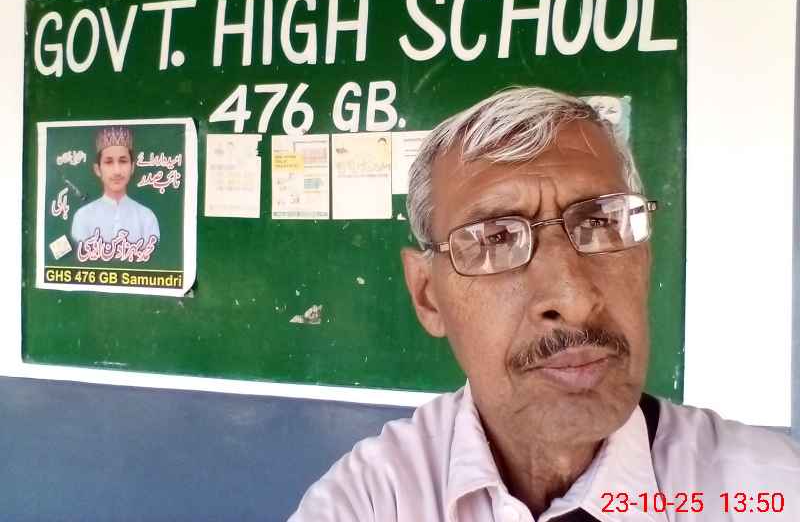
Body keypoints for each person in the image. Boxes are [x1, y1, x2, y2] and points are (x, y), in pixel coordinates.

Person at [290, 87, 800, 521]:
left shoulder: (765, 493)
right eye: (493, 239)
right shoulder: (376, 502)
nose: (574, 299)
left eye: (601, 222)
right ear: (428, 295)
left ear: (644, 257)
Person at [70, 125, 160, 244]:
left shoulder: (146, 217)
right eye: (108, 162)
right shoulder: (83, 217)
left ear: (132, 167)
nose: (117, 171)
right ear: (97, 169)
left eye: (123, 161)